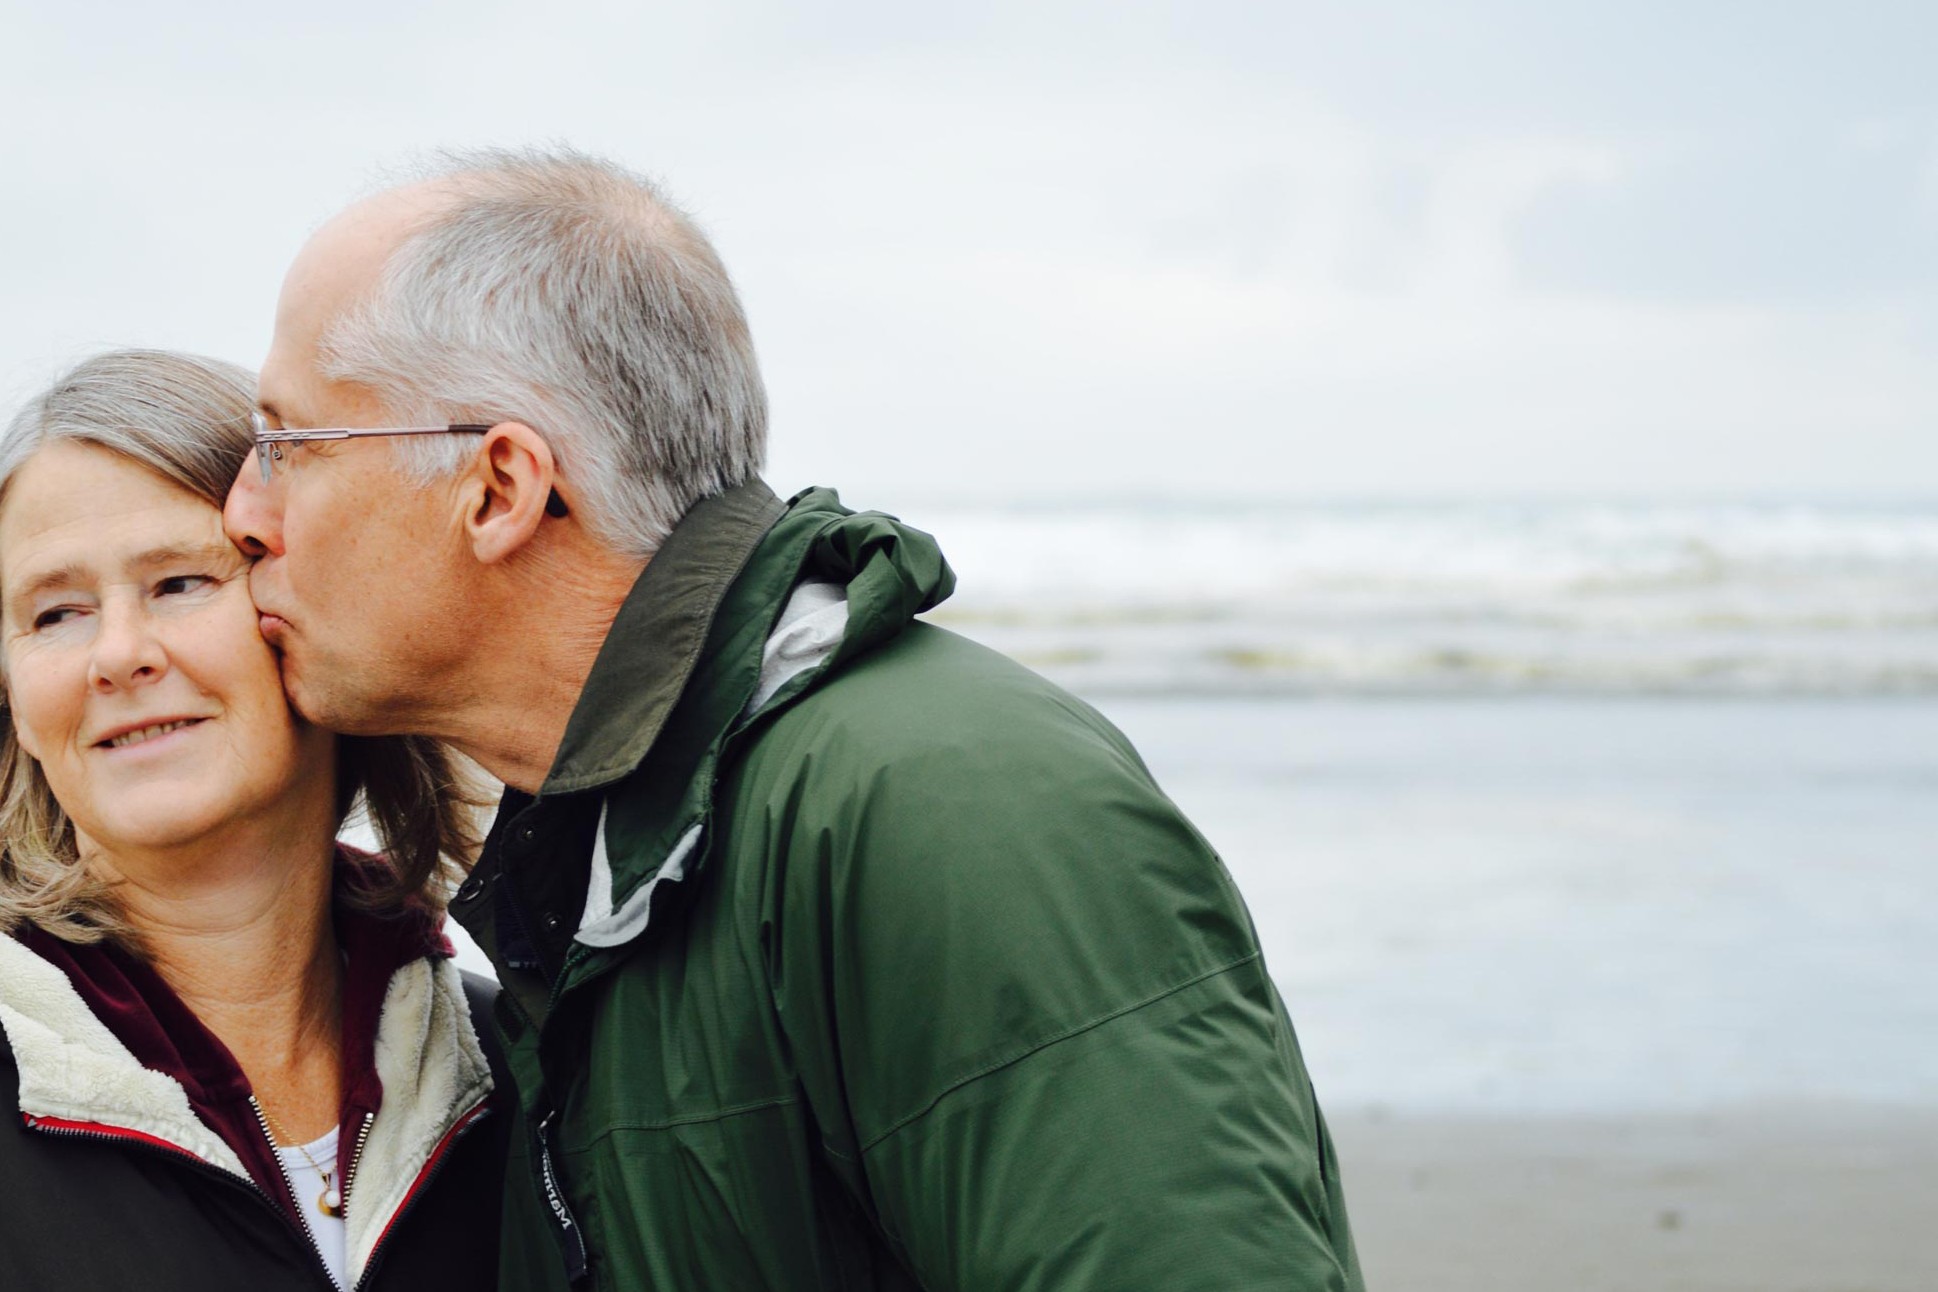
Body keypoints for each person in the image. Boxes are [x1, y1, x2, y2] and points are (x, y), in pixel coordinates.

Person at [224, 148, 1364, 1291]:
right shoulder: (619, 857)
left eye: (287, 446)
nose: (244, 514)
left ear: (501, 486)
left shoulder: (941, 806)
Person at [0, 350, 518, 1292]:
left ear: (311, 607)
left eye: (179, 583)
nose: (116, 656)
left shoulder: (520, 1070)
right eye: (55, 612)